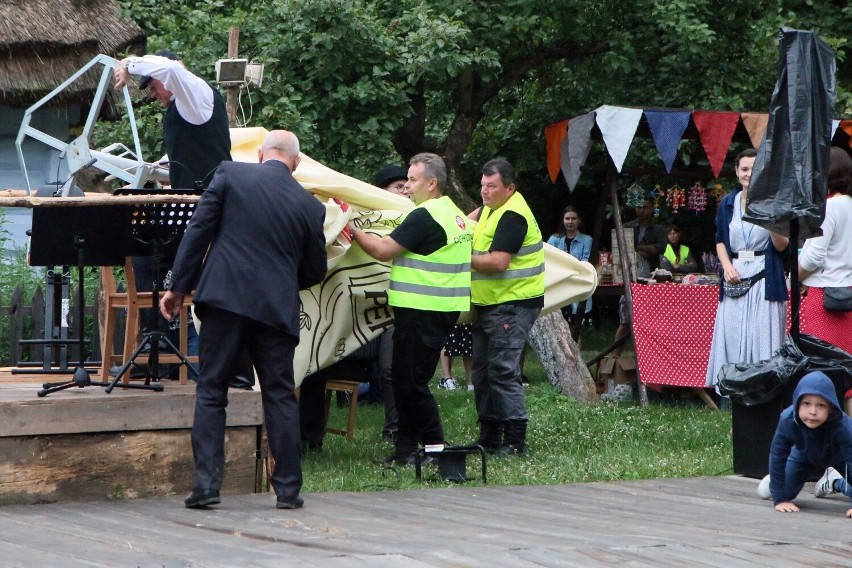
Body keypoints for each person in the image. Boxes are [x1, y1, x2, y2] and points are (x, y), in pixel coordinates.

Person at [159, 130, 327, 510]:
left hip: (225, 300)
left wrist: (178, 287)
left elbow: (198, 231)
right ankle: (287, 489)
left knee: (213, 389)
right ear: (295, 163)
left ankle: (206, 485)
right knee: (280, 396)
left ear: (261, 155)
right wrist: (282, 283)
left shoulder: (231, 175)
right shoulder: (310, 206)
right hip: (275, 312)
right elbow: (316, 270)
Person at [113, 50, 253, 387]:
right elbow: (174, 167)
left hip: (214, 211)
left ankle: (227, 369)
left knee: (212, 285)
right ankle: (158, 355)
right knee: (147, 256)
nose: (153, 93)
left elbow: (170, 68)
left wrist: (127, 63)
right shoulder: (184, 110)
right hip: (196, 212)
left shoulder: (197, 94)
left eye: (153, 86)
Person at [351, 153, 471, 465]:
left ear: (432, 184)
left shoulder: (424, 216)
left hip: (422, 310)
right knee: (405, 381)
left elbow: (381, 250)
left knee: (413, 383)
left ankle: (435, 447)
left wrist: (348, 227)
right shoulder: (453, 213)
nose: (406, 188)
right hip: (439, 309)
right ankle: (405, 451)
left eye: (412, 181)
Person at [470, 159, 544, 456]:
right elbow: (462, 222)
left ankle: (514, 442)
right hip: (491, 304)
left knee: (501, 371)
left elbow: (498, 263)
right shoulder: (491, 207)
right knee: (482, 372)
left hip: (512, 304)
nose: (485, 192)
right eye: (483, 185)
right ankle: (489, 438)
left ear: (510, 188)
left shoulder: (513, 215)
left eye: (492, 186)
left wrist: (458, 259)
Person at [705, 148, 789, 390]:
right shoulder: (727, 203)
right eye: (744, 169)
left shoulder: (773, 202)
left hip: (765, 275)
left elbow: (782, 247)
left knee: (762, 335)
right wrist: (727, 266)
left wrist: (770, 217)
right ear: (736, 172)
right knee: (731, 333)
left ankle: (762, 389)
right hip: (735, 273)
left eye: (755, 169)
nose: (749, 174)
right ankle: (731, 391)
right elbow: (720, 239)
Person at [758, 371, 852, 518]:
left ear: (831, 407)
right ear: (797, 402)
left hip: (839, 457)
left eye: (821, 405)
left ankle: (836, 482)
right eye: (806, 403)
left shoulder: (844, 427)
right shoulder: (787, 419)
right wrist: (779, 498)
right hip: (803, 454)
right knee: (783, 493)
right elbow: (777, 454)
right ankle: (775, 479)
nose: (812, 412)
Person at [797, 147, 852, 353]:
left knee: (824, 361)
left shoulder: (829, 207)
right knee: (846, 360)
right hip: (847, 293)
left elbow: (813, 257)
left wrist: (796, 279)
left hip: (824, 296)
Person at [613, 197, 666, 354]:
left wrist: (638, 248)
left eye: (645, 207)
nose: (641, 210)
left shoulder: (658, 229)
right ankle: (615, 358)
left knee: (652, 321)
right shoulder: (628, 226)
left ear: (651, 209)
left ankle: (648, 357)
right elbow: (621, 247)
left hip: (651, 277)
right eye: (638, 207)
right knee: (625, 319)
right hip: (630, 277)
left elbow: (660, 248)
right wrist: (644, 250)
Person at [547, 205, 593, 322]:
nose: (570, 222)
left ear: (579, 220)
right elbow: (547, 261)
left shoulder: (587, 240)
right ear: (563, 221)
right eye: (567, 219)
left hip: (578, 283)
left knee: (576, 324)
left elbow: (585, 262)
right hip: (557, 285)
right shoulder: (554, 239)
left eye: (573, 218)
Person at [438, 324, 473, 391]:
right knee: (448, 340)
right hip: (452, 316)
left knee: (467, 343)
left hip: (466, 316)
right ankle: (446, 379)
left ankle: (471, 383)